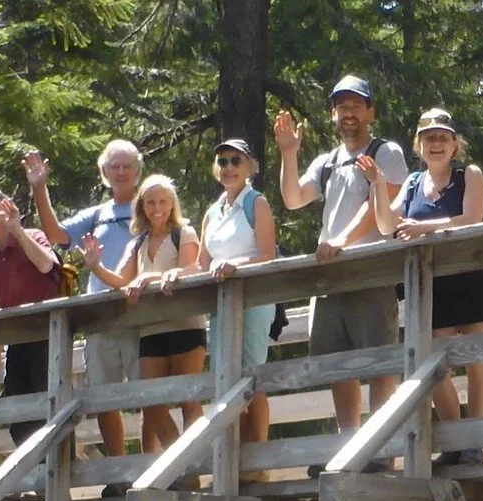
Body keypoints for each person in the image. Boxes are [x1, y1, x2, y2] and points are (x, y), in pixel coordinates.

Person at [274, 75, 411, 439]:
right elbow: (292, 199)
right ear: (333, 114)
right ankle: (348, 444)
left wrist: (341, 242)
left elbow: (384, 205)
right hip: (330, 277)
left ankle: (381, 446)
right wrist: (288, 152)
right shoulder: (328, 161)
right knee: (338, 366)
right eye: (341, 106)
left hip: (370, 271)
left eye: (355, 105)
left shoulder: (387, 152)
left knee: (381, 363)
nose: (347, 113)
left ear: (370, 112)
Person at [376, 109, 483, 464]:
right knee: (436, 364)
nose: (436, 144)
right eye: (429, 138)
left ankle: (474, 441)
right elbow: (387, 223)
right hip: (434, 284)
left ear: (454, 145)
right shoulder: (413, 183)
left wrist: (423, 229)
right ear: (419, 145)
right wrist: (377, 184)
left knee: (476, 360)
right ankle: (455, 440)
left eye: (442, 137)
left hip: (474, 276)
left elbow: (470, 219)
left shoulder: (470, 175)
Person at [78, 174, 207, 469]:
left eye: (163, 201)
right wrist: (95, 265)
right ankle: (182, 465)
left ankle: (197, 465)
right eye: (150, 202)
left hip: (185, 325)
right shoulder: (137, 242)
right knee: (152, 404)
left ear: (172, 204)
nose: (157, 208)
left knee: (189, 399)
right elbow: (121, 282)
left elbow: (194, 268)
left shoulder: (183, 233)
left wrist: (151, 277)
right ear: (142, 206)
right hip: (150, 331)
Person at [31, 142, 141, 459]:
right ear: (104, 172)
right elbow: (54, 235)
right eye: (114, 166)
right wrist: (40, 188)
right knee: (103, 396)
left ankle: (154, 467)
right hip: (101, 317)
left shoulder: (151, 206)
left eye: (127, 166)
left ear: (137, 171)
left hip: (145, 312)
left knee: (150, 396)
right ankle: (118, 471)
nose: (121, 172)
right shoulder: (96, 216)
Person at [0, 186, 66, 451]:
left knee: (52, 404)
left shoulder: (33, 235)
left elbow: (46, 265)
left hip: (49, 335)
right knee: (19, 411)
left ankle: (56, 476)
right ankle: (32, 477)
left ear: (6, 203)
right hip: (16, 341)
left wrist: (18, 231)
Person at [204, 138, 280, 454]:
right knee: (224, 375)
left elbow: (267, 254)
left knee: (251, 373)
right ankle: (231, 456)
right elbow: (200, 264)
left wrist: (232, 265)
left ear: (249, 166)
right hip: (221, 306)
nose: (229, 167)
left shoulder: (256, 202)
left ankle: (257, 457)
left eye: (236, 160)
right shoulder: (212, 211)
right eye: (223, 161)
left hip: (255, 300)